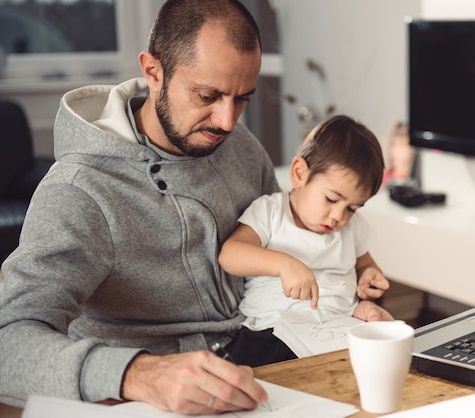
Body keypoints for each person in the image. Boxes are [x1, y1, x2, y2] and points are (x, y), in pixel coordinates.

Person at [0, 1, 395, 415]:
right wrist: (140, 374)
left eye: (241, 98)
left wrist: (351, 301)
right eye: (207, 95)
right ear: (153, 71)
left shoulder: (238, 144)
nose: (226, 121)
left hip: (266, 367)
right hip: (148, 399)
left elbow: (287, 251)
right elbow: (9, 347)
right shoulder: (80, 191)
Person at [219, 115, 394, 367]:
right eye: (332, 200)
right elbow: (230, 254)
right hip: (273, 329)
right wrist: (283, 264)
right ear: (300, 174)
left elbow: (365, 264)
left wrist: (369, 276)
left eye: (352, 208)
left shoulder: (352, 227)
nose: (338, 217)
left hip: (338, 326)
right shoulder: (271, 212)